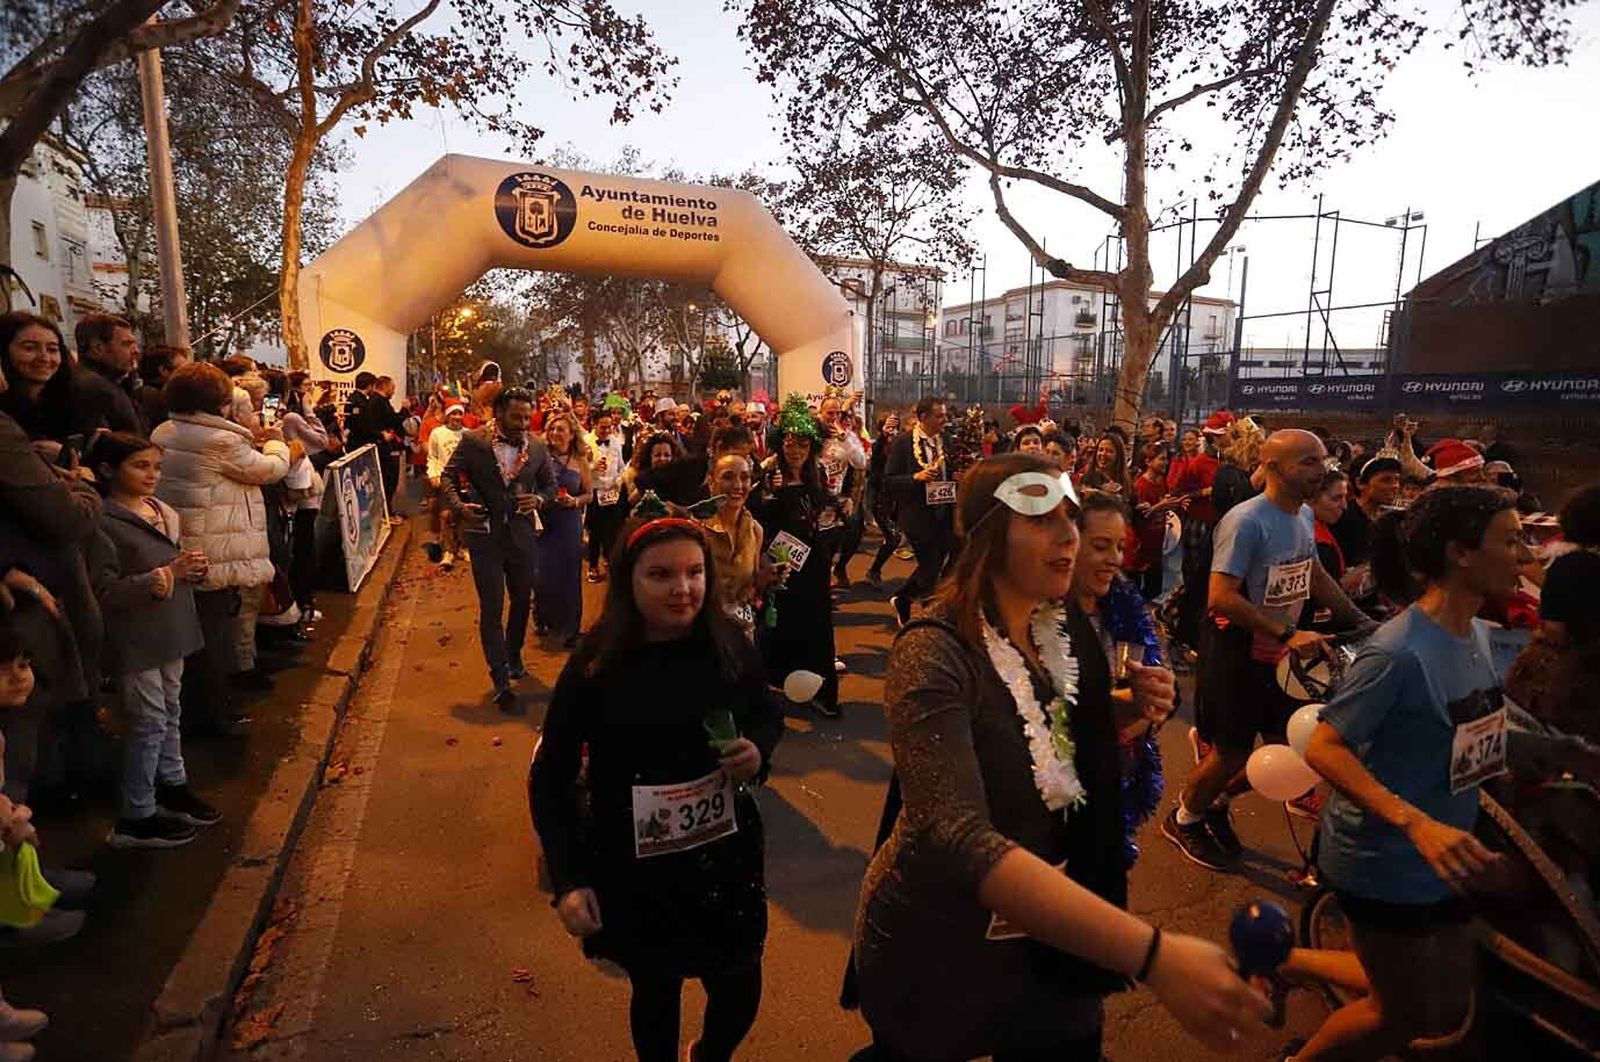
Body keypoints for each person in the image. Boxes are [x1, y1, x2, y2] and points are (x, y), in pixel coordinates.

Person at [854, 453, 1267, 1061]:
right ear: (990, 533)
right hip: (941, 938)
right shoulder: (933, 652)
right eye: (1042, 518)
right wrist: (1154, 954)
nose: (1068, 536)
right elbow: (958, 834)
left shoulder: (1065, 627)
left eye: (1070, 518)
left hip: (1057, 934)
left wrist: (1119, 711)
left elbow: (1054, 728)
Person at [528, 516, 783, 1062]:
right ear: (630, 581)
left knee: (739, 989)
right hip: (637, 866)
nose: (683, 588)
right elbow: (550, 776)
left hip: (725, 860)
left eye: (694, 573)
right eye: (661, 575)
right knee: (656, 992)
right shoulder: (595, 665)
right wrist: (569, 880)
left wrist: (758, 750)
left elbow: (766, 714)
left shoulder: (730, 644)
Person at [1295, 486, 1529, 1062]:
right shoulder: (1397, 652)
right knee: (1402, 1015)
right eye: (1512, 539)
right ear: (1462, 554)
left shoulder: (1474, 634)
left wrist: (1566, 752)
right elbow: (1325, 748)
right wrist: (1415, 824)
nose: (1525, 555)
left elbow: (1481, 722)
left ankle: (1287, 958)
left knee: (1444, 1001)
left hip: (1448, 854)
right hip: (1384, 863)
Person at [1163, 430, 1373, 871]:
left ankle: (1214, 800)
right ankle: (1185, 816)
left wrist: (1360, 621)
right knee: (1232, 752)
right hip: (1236, 650)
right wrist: (1285, 633)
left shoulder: (1300, 517)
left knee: (1294, 750)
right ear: (1273, 466)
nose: (1322, 470)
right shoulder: (1246, 521)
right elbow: (1221, 596)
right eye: (1309, 463)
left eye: (1322, 460)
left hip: (1279, 650)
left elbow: (1311, 573)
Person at [92, 432, 221, 849]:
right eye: (140, 466)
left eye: (156, 466)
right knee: (147, 720)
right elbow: (104, 591)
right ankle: (137, 811)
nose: (152, 475)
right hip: (137, 637)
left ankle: (171, 784)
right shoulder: (102, 521)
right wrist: (166, 576)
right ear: (108, 470)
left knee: (170, 710)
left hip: (171, 629)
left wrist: (188, 572)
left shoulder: (162, 511)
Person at [153, 362, 290, 735]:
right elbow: (270, 469)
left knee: (196, 637)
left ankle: (202, 709)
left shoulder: (165, 431)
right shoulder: (221, 440)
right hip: (214, 547)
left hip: (184, 542)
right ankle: (212, 717)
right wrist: (277, 440)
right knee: (212, 638)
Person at [440, 386, 557, 710]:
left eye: (527, 417)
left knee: (521, 599)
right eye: (516, 417)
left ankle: (514, 652)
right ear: (499, 413)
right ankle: (500, 678)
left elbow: (550, 485)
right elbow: (449, 476)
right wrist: (461, 506)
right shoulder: (474, 441)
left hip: (521, 535)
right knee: (491, 608)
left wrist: (540, 500)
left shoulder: (537, 447)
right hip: (485, 538)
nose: (523, 423)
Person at [752, 397, 840, 717]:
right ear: (780, 443)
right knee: (778, 626)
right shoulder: (767, 471)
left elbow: (821, 508)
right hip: (781, 563)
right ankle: (774, 687)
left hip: (813, 561)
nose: (795, 450)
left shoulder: (816, 471)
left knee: (817, 625)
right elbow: (754, 517)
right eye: (790, 443)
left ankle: (822, 691)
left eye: (802, 444)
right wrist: (767, 494)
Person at [886, 396, 955, 628]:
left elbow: (952, 470)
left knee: (945, 560)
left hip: (945, 511)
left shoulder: (945, 440)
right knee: (930, 564)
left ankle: (916, 602)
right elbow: (889, 480)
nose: (944, 420)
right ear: (923, 418)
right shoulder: (903, 443)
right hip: (916, 514)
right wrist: (916, 477)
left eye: (945, 415)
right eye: (940, 416)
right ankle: (910, 602)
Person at [696, 452, 769, 638]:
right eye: (728, 477)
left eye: (744, 478)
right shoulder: (696, 530)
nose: (737, 485)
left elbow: (750, 586)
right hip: (705, 635)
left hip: (743, 634)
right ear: (711, 482)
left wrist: (763, 580)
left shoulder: (755, 530)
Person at [535, 410, 591, 649]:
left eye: (561, 430)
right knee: (544, 574)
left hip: (569, 523)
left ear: (571, 435)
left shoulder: (580, 460)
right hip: (544, 523)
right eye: (552, 429)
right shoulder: (538, 458)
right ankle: (545, 619)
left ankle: (570, 628)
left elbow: (589, 493)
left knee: (569, 575)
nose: (555, 433)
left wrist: (575, 502)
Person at [73, 313, 144, 435]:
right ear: (98, 348)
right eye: (127, 344)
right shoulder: (96, 388)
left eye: (134, 344)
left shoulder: (114, 383)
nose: (136, 351)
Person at [1303, 469, 1351, 632]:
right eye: (1336, 498)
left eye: (1345, 497)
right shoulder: (1316, 541)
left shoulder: (1323, 526)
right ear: (1311, 499)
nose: (1344, 506)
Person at [586, 410, 628, 582]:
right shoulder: (585, 442)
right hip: (594, 491)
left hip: (612, 491)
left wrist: (618, 480)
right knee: (595, 531)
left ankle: (609, 562)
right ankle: (593, 565)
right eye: (602, 427)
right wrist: (592, 468)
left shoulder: (616, 442)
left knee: (612, 530)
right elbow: (578, 470)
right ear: (593, 424)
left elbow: (622, 467)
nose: (606, 431)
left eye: (609, 427)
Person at [426, 404, 468, 570]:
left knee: (463, 514)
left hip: (464, 479)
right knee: (445, 514)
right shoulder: (437, 433)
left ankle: (463, 547)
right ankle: (448, 551)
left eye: (460, 414)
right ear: (447, 415)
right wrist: (433, 474)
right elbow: (432, 457)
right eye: (454, 414)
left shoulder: (467, 434)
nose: (457, 417)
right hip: (445, 478)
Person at [864, 412, 903, 587]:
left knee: (896, 538)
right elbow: (875, 464)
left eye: (896, 426)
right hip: (880, 498)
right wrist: (884, 436)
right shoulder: (878, 445)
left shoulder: (902, 444)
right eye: (889, 426)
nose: (892, 429)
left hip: (898, 499)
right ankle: (874, 570)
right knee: (893, 537)